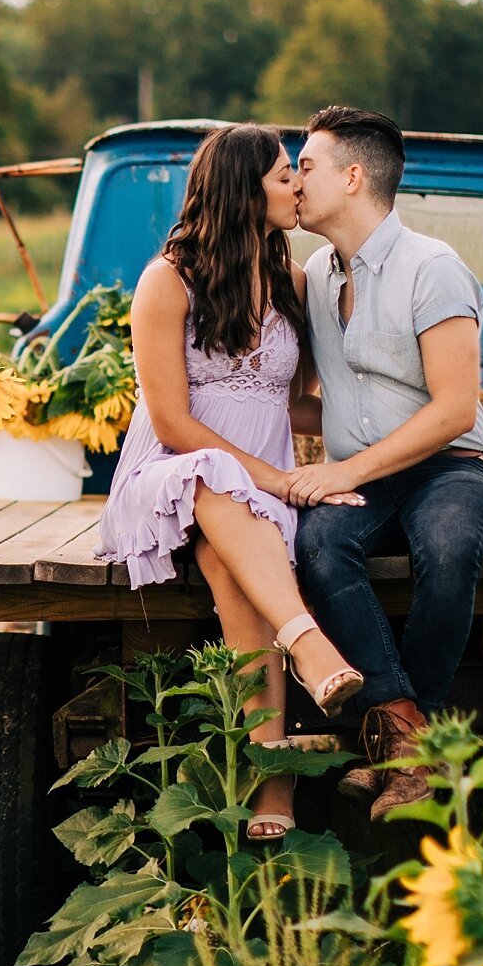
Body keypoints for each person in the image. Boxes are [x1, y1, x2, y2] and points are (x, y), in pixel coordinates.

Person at [98, 123, 366, 842]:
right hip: (169, 475)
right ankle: (308, 646)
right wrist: (280, 481)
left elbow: (299, 399)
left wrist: (391, 426)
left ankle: (269, 783)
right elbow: (172, 421)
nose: (297, 186)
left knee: (231, 564)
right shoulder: (167, 281)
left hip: (247, 503)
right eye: (284, 176)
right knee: (213, 475)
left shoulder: (294, 280)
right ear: (242, 191)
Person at [283, 105, 483, 821]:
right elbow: (313, 402)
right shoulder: (316, 274)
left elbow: (452, 409)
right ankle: (409, 744)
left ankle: (405, 740)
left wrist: (341, 473)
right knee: (318, 543)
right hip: (367, 478)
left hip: (449, 467)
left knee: (446, 547)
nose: (293, 181)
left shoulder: (432, 268)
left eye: (306, 166)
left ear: (353, 177)